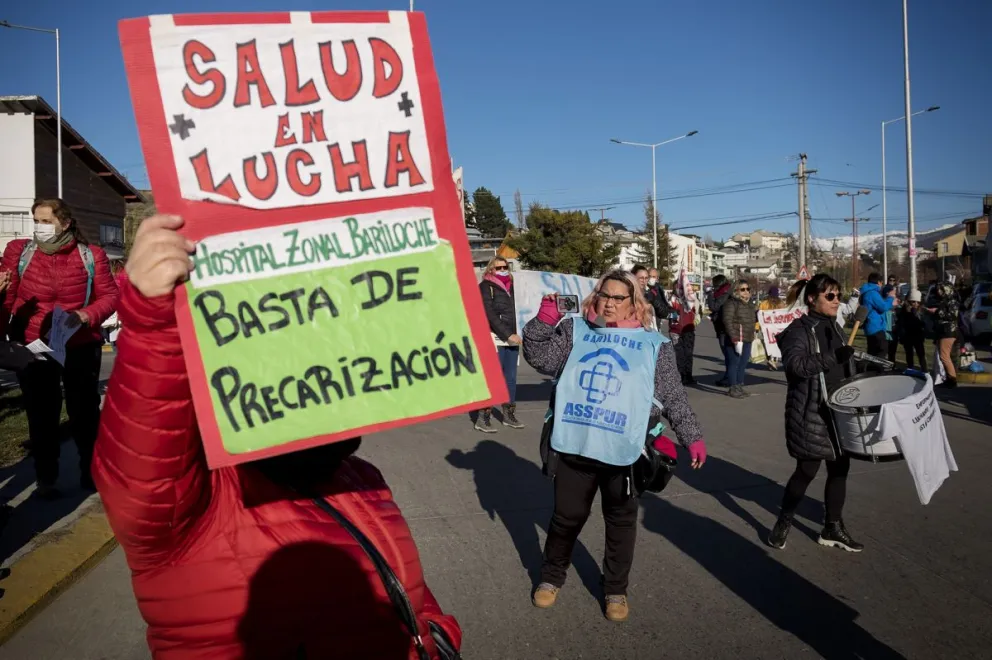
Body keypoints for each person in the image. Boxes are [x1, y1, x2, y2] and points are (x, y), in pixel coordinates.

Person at [92, 215, 462, 659]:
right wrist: (154, 325)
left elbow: (395, 580)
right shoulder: (196, 503)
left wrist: (433, 633)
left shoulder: (358, 476)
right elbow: (144, 449)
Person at [522, 269, 706, 622]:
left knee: (620, 522)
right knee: (566, 517)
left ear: (634, 302)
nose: (609, 303)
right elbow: (540, 357)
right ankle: (551, 577)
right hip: (576, 444)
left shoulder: (654, 344)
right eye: (604, 295)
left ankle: (615, 589)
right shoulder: (576, 332)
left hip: (625, 450)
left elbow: (672, 394)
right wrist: (544, 322)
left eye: (618, 298)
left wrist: (691, 435)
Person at [0, 199, 119, 498]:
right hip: (34, 345)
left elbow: (110, 297)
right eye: (35, 221)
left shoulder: (92, 256)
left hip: (79, 344)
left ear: (64, 224)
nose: (38, 228)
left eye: (45, 221)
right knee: (41, 414)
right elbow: (7, 297)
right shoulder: (19, 252)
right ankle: (46, 478)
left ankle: (90, 472)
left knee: (85, 412)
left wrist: (85, 315)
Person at [768, 273, 862, 553]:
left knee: (840, 467)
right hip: (811, 410)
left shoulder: (835, 327)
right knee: (807, 470)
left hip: (839, 409)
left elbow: (844, 366)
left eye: (838, 295)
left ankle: (832, 527)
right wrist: (834, 357)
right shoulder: (798, 330)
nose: (836, 301)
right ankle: (784, 520)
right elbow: (796, 366)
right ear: (812, 299)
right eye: (829, 296)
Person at [475, 256, 524, 432]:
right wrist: (507, 334)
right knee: (491, 378)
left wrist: (515, 334)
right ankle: (483, 417)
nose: (502, 269)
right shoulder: (485, 287)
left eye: (505, 267)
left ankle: (508, 414)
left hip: (511, 338)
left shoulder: (511, 287)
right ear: (490, 270)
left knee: (510, 378)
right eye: (498, 267)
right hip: (494, 337)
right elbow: (490, 314)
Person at [720, 280, 757, 398]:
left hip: (747, 338)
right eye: (743, 289)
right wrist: (733, 337)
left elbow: (752, 320)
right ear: (736, 291)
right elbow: (727, 321)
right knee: (734, 363)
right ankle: (733, 387)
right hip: (735, 338)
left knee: (743, 363)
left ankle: (739, 385)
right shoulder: (731, 303)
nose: (746, 292)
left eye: (748, 289)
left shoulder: (750, 304)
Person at [859, 273, 897, 365]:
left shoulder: (867, 292)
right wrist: (891, 298)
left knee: (872, 353)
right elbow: (883, 307)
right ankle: (876, 371)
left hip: (871, 326)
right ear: (879, 282)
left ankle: (871, 370)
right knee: (881, 351)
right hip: (876, 327)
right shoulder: (872, 293)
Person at [928, 282, 960, 388]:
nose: (939, 292)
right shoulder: (945, 301)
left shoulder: (952, 301)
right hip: (943, 331)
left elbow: (952, 315)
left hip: (948, 332)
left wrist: (936, 312)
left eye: (941, 290)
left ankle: (952, 379)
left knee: (944, 356)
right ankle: (949, 378)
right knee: (944, 356)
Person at [669, 282, 700, 385]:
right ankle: (681, 376)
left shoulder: (691, 300)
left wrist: (697, 311)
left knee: (688, 354)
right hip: (675, 331)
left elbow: (698, 311)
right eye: (677, 288)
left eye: (681, 288)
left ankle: (688, 376)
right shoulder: (671, 300)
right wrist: (673, 313)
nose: (679, 290)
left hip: (688, 330)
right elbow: (667, 313)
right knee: (679, 355)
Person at [707, 274, 732, 386]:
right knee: (728, 354)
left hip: (724, 328)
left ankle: (730, 378)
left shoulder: (724, 293)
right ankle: (729, 377)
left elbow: (715, 306)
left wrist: (710, 294)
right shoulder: (726, 291)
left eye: (714, 284)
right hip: (723, 326)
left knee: (728, 354)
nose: (713, 287)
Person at [632, 265, 669, 329]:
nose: (644, 280)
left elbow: (664, 313)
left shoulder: (657, 291)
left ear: (657, 278)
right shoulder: (631, 291)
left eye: (646, 278)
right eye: (641, 278)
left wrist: (654, 301)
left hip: (653, 328)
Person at [756, 285, 784, 369]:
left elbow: (758, 316)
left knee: (767, 344)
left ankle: (770, 359)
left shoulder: (764, 304)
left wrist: (756, 328)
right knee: (776, 344)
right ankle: (773, 360)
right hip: (777, 329)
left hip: (766, 329)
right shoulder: (781, 304)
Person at [898, 291, 927, 371]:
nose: (915, 304)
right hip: (908, 335)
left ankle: (924, 370)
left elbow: (923, 323)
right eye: (913, 302)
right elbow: (901, 323)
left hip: (918, 335)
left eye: (917, 302)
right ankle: (910, 368)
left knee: (921, 354)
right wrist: (902, 336)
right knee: (909, 354)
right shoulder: (904, 310)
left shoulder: (921, 310)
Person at [881, 277, 900, 364]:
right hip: (886, 331)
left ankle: (892, 365)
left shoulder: (896, 304)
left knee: (892, 352)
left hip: (894, 330)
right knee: (885, 352)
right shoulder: (883, 304)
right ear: (888, 293)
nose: (895, 294)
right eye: (893, 292)